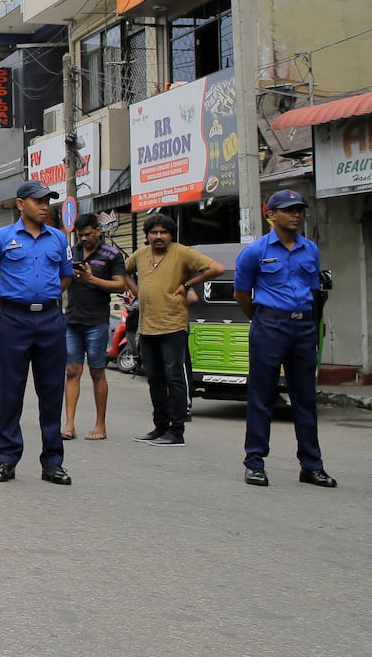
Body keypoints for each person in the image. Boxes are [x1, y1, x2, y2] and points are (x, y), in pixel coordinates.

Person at [234, 190, 336, 488]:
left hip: (303, 327)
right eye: (289, 210)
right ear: (272, 214)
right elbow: (242, 294)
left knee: (304, 398)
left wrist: (309, 323)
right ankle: (255, 463)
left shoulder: (311, 250)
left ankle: (311, 466)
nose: (296, 215)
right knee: (262, 396)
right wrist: (262, 319)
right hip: (269, 325)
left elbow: (313, 289)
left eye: (299, 210)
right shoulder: (255, 252)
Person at [0, 181, 74, 485]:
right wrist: (7, 307)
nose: (45, 206)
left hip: (49, 320)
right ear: (21, 204)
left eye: (48, 201)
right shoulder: (2, 238)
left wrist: (43, 299)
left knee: (51, 391)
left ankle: (53, 462)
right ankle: (7, 458)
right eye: (39, 201)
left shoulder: (58, 238)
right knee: (11, 391)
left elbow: (66, 277)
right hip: (14, 321)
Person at [122, 215, 223, 447]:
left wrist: (187, 285)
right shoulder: (140, 254)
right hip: (147, 327)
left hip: (173, 327)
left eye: (163, 232)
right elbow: (123, 271)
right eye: (154, 232)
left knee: (174, 378)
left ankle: (177, 431)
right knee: (154, 380)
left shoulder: (182, 252)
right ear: (147, 235)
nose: (158, 236)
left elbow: (216, 268)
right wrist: (136, 291)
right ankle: (160, 427)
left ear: (171, 235)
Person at [63, 213, 126, 442]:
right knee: (72, 371)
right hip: (72, 320)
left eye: (88, 234)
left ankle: (100, 424)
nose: (84, 239)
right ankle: (69, 424)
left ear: (98, 230)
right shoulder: (72, 251)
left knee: (97, 371)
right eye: (80, 236)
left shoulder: (112, 254)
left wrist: (93, 281)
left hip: (97, 322)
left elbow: (120, 284)